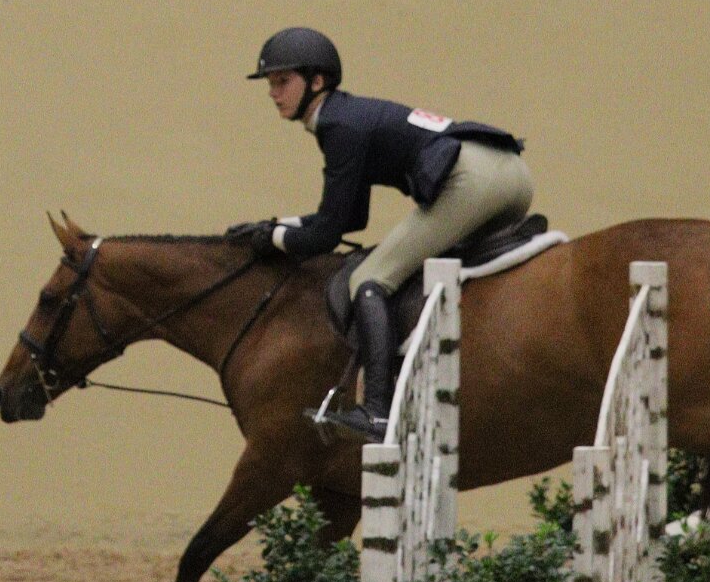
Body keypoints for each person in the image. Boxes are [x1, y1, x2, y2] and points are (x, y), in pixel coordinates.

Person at [224, 27, 533, 443]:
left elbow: (326, 237)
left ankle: (376, 411)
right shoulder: (348, 116)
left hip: (474, 181)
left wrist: (274, 239)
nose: (273, 93)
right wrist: (281, 224)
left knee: (368, 279)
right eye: (270, 84)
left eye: (282, 81)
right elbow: (349, 218)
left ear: (317, 82)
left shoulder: (338, 126)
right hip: (511, 173)